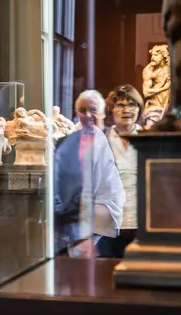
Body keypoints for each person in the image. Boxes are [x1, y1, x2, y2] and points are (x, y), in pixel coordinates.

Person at [53, 90, 125, 256]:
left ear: (102, 112)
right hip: (71, 223)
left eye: (93, 109)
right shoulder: (64, 142)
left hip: (106, 223)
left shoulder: (114, 139)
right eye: (83, 110)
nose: (88, 114)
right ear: (76, 113)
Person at [103, 84, 144, 257]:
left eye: (132, 104)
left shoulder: (148, 140)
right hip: (109, 223)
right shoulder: (101, 141)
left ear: (139, 109)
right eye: (120, 105)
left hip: (140, 221)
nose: (126, 110)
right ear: (112, 109)